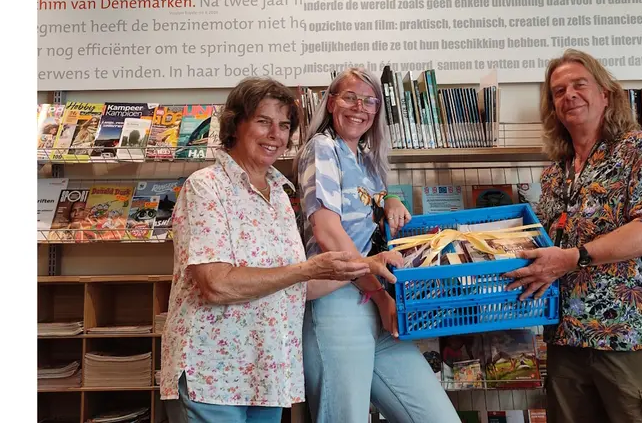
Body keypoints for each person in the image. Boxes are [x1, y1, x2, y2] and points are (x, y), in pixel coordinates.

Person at [160, 77, 402, 423]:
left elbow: (298, 287)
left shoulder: (279, 193)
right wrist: (307, 269)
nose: (276, 134)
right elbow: (215, 284)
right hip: (213, 375)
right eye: (263, 121)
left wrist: (366, 264)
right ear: (235, 124)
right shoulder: (206, 187)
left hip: (267, 375)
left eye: (285, 125)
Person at [503, 50, 642, 422]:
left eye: (579, 85)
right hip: (566, 342)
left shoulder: (640, 149)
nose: (569, 95)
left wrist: (573, 258)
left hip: (632, 339)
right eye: (558, 91)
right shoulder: (555, 174)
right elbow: (542, 246)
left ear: (605, 93)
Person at [295, 67, 460, 423]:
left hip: (374, 300)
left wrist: (391, 200)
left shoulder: (367, 159)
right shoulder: (322, 148)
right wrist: (382, 295)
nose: (359, 107)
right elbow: (328, 232)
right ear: (331, 102)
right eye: (349, 97)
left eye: (369, 101)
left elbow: (368, 200)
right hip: (337, 300)